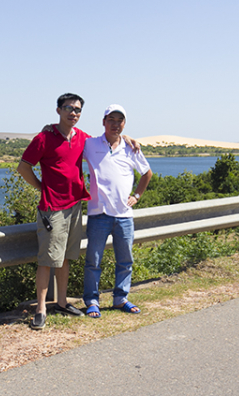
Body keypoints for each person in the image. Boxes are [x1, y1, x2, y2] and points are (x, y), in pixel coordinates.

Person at [17, 93, 90, 330]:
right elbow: (23, 167)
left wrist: (126, 137)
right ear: (58, 110)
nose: (73, 113)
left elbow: (106, 141)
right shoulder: (44, 138)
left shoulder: (82, 137)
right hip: (53, 210)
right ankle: (41, 309)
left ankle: (61, 302)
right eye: (68, 108)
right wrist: (41, 187)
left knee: (65, 258)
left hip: (75, 206)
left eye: (77, 109)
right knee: (47, 260)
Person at [82, 104, 153, 318]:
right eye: (111, 120)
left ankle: (120, 299)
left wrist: (137, 196)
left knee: (125, 260)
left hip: (124, 216)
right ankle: (92, 301)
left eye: (119, 120)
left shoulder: (131, 148)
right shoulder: (90, 144)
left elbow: (147, 173)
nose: (115, 124)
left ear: (124, 124)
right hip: (98, 214)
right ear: (103, 122)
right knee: (93, 261)